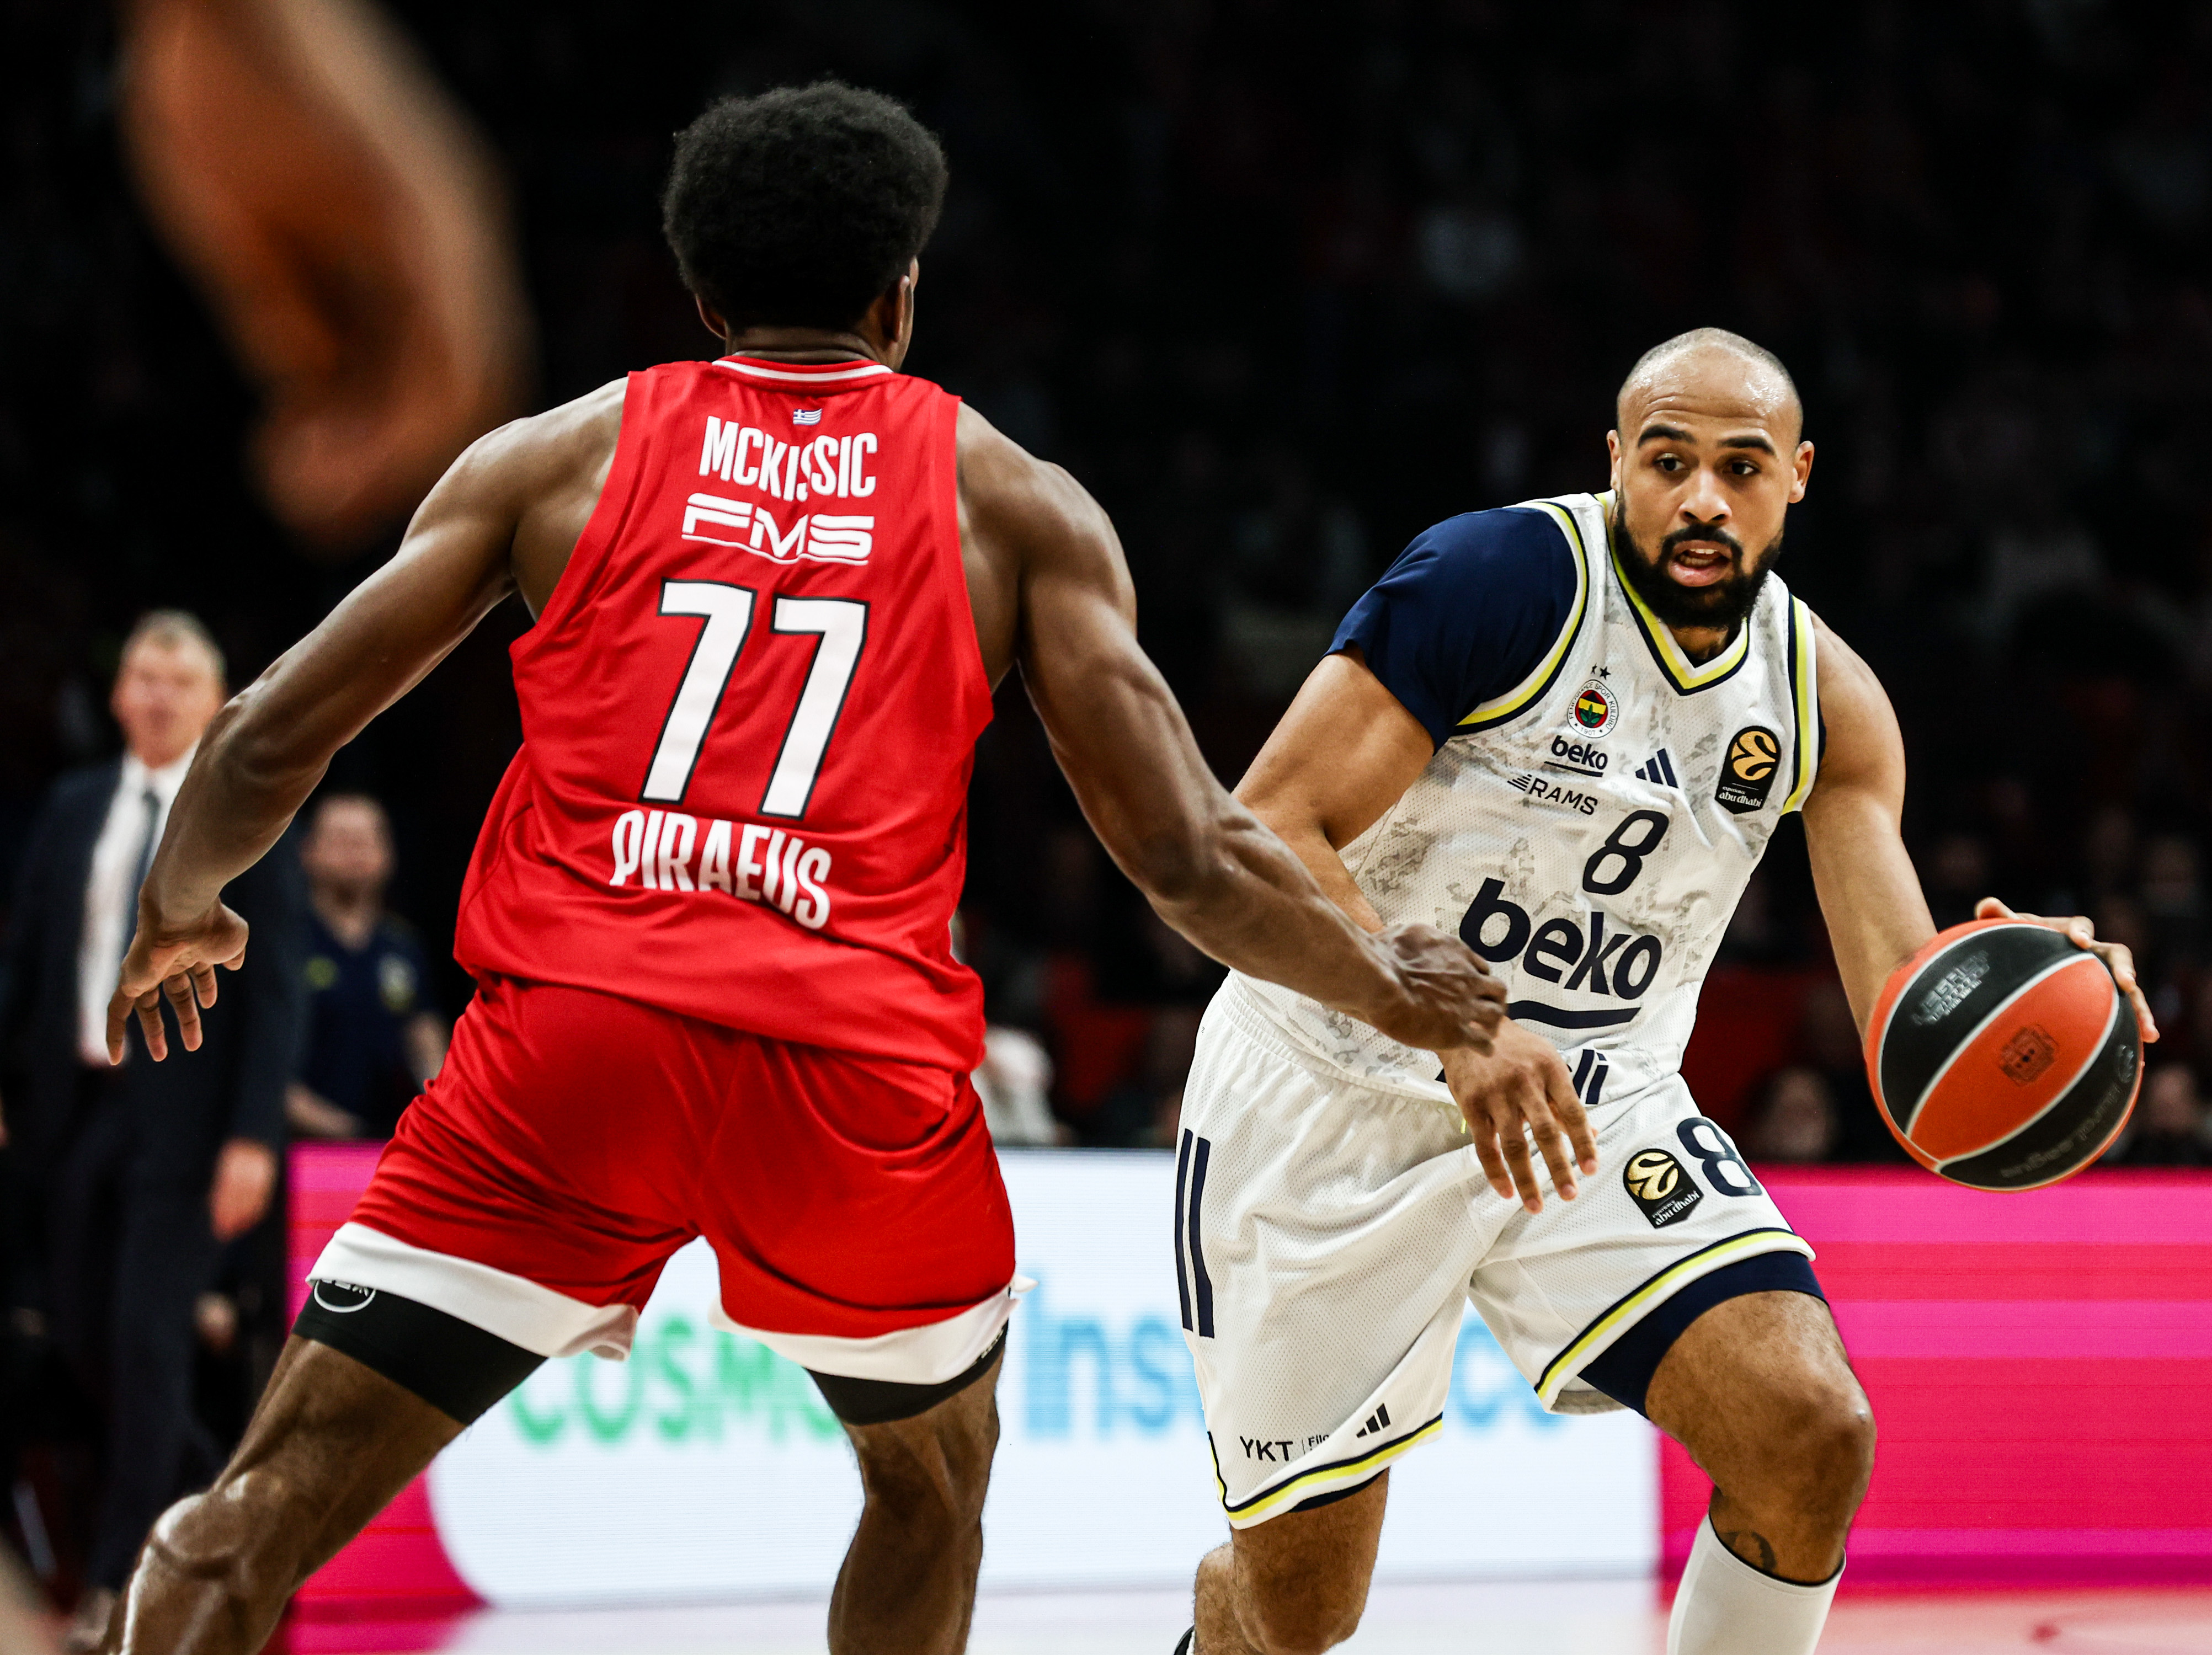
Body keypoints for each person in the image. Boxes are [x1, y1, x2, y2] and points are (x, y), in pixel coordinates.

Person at [98, 82, 1503, 1655]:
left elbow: (269, 730)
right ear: (901, 296)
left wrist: (179, 905)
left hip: (574, 1052)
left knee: (248, 1517)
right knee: (928, 1490)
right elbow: (1185, 855)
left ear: (702, 298)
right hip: (850, 1083)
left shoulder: (555, 460)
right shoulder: (1011, 502)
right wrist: (1395, 990)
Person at [1168, 329, 2153, 1655]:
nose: (1701, 498)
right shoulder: (1499, 579)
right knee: (1297, 1608)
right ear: (1615, 461)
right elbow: (1268, 827)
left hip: (1594, 1105)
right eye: (1667, 460)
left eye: (1739, 467)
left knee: (1810, 1433)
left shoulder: (1827, 702)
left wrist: (2023, 986)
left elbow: (1901, 1014)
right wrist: (1448, 1019)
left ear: (1796, 477)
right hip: (1333, 1085)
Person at [0, 612, 305, 1649]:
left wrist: (254, 1136)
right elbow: (30, 958)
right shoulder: (74, 806)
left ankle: (119, 1585)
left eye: (182, 680)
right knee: (82, 1337)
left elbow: (277, 996)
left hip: (189, 1124)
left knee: (144, 1343)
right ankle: (225, 1509)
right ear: (120, 694)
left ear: (216, 702)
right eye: (145, 676)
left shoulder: (246, 810)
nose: (162, 695)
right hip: (74, 1109)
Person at [287, 795, 446, 1141]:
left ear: (389, 854)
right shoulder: (284, 945)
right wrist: (343, 1130)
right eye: (341, 840)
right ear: (306, 851)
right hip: (296, 1146)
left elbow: (425, 1037)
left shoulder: (403, 947)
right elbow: (261, 1058)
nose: (355, 852)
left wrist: (440, 1107)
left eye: (367, 840)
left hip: (391, 1145)